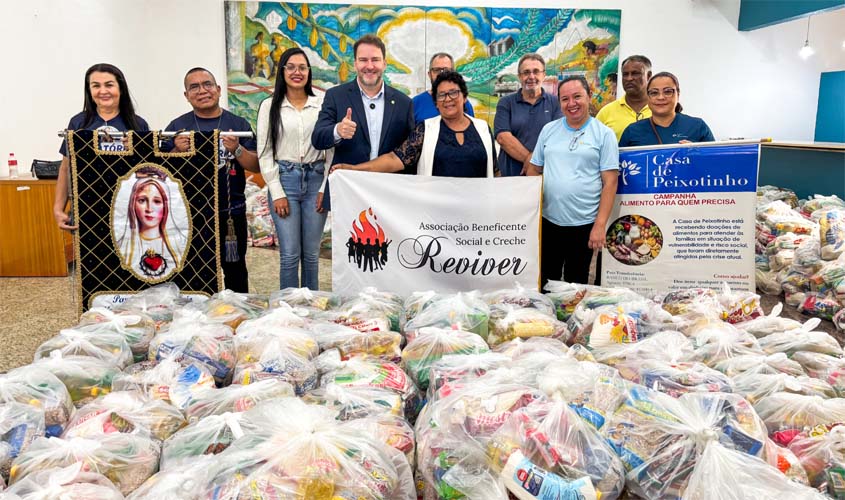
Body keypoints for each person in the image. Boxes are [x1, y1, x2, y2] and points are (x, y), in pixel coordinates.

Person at [165, 67, 260, 293]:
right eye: (194, 87)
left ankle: (238, 314)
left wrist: (236, 149)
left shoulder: (239, 125)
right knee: (191, 269)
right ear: (186, 95)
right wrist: (176, 151)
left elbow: (255, 165)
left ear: (218, 90)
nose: (202, 91)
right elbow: (160, 172)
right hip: (189, 214)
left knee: (235, 268)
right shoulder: (177, 127)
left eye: (207, 84)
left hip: (230, 212)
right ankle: (196, 317)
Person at [526, 75, 619, 286]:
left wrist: (600, 225)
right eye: (565, 99)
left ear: (589, 96)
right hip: (550, 222)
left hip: (584, 224)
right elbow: (534, 169)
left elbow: (610, 182)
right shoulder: (549, 131)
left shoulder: (604, 135)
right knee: (545, 280)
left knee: (575, 284)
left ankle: (571, 320)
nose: (571, 104)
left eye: (577, 96)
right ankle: (545, 319)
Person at [311, 34, 414, 210]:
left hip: (391, 196)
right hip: (348, 191)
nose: (369, 66)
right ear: (355, 64)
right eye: (363, 60)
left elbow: (409, 153)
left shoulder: (404, 103)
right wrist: (338, 131)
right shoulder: (336, 96)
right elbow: (318, 138)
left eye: (375, 59)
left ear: (384, 63)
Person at [331, 71, 496, 178]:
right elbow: (394, 159)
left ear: (464, 97)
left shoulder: (483, 129)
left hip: (477, 218)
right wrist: (354, 169)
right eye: (441, 95)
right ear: (436, 104)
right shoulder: (426, 130)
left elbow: (495, 172)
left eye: (453, 93)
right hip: (437, 218)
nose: (448, 99)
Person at [257, 47, 328, 291]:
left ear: (309, 72)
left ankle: (312, 309)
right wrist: (276, 191)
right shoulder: (270, 106)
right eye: (291, 67)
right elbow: (265, 153)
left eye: (302, 67)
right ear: (282, 71)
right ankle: (288, 312)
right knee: (289, 254)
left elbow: (330, 151)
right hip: (285, 179)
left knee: (311, 255)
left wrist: (325, 188)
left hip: (316, 179)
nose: (297, 72)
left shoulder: (322, 104)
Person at [54, 63, 150, 231]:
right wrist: (58, 208)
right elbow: (65, 168)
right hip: (87, 206)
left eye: (109, 85)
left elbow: (148, 169)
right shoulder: (78, 123)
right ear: (89, 92)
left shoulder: (138, 124)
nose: (103, 91)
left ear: (121, 89)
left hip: (129, 207)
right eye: (96, 86)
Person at [494, 54, 562, 177]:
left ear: (543, 75)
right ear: (519, 76)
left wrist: (534, 164)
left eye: (536, 72)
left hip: (546, 177)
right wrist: (531, 162)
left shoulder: (555, 103)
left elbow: (557, 137)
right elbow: (503, 138)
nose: (531, 77)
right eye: (526, 72)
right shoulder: (505, 103)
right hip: (511, 178)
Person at [115, 166, 188, 280]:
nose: (149, 208)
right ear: (132, 204)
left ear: (166, 206)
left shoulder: (181, 243)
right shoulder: (121, 245)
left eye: (157, 201)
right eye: (142, 200)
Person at [619, 71, 715, 147]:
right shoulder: (632, 131)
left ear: (678, 94)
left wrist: (697, 153)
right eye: (654, 93)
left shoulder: (697, 126)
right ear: (648, 97)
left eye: (668, 92)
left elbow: (716, 162)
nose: (661, 97)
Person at [596, 55, 653, 141]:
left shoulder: (660, 109)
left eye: (635, 73)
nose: (629, 78)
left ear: (648, 76)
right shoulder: (606, 112)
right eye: (625, 74)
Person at [411, 52, 474, 124]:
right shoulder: (415, 103)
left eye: (446, 70)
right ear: (429, 74)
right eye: (436, 70)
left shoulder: (462, 103)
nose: (441, 74)